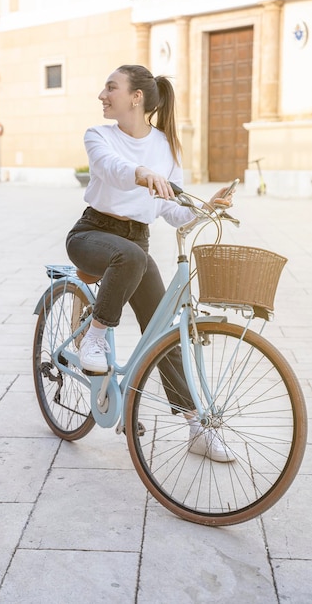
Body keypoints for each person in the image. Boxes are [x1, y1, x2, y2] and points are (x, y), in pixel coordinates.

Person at [66, 64, 234, 461]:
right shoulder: (99, 136)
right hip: (92, 234)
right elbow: (110, 168)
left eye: (111, 87)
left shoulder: (165, 147)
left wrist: (206, 207)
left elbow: (172, 211)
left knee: (164, 332)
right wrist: (141, 173)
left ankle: (196, 426)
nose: (103, 95)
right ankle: (94, 336)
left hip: (135, 244)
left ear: (135, 97)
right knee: (132, 255)